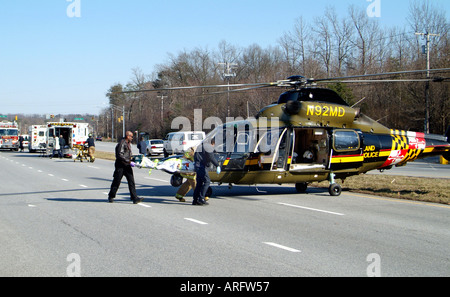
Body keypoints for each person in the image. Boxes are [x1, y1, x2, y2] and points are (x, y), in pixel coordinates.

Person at [108, 131, 144, 204]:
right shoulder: (122, 143)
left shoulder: (128, 144)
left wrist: (134, 160)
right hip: (120, 166)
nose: (132, 138)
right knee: (117, 181)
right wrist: (129, 161)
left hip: (127, 165)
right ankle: (111, 196)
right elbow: (119, 155)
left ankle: (134, 198)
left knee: (131, 181)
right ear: (128, 136)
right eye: (131, 136)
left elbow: (127, 155)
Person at [192, 138, 220, 206]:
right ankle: (201, 199)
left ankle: (195, 200)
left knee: (199, 183)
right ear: (213, 143)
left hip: (197, 166)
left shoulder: (201, 146)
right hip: (201, 166)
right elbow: (211, 157)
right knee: (207, 181)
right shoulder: (208, 147)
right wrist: (217, 165)